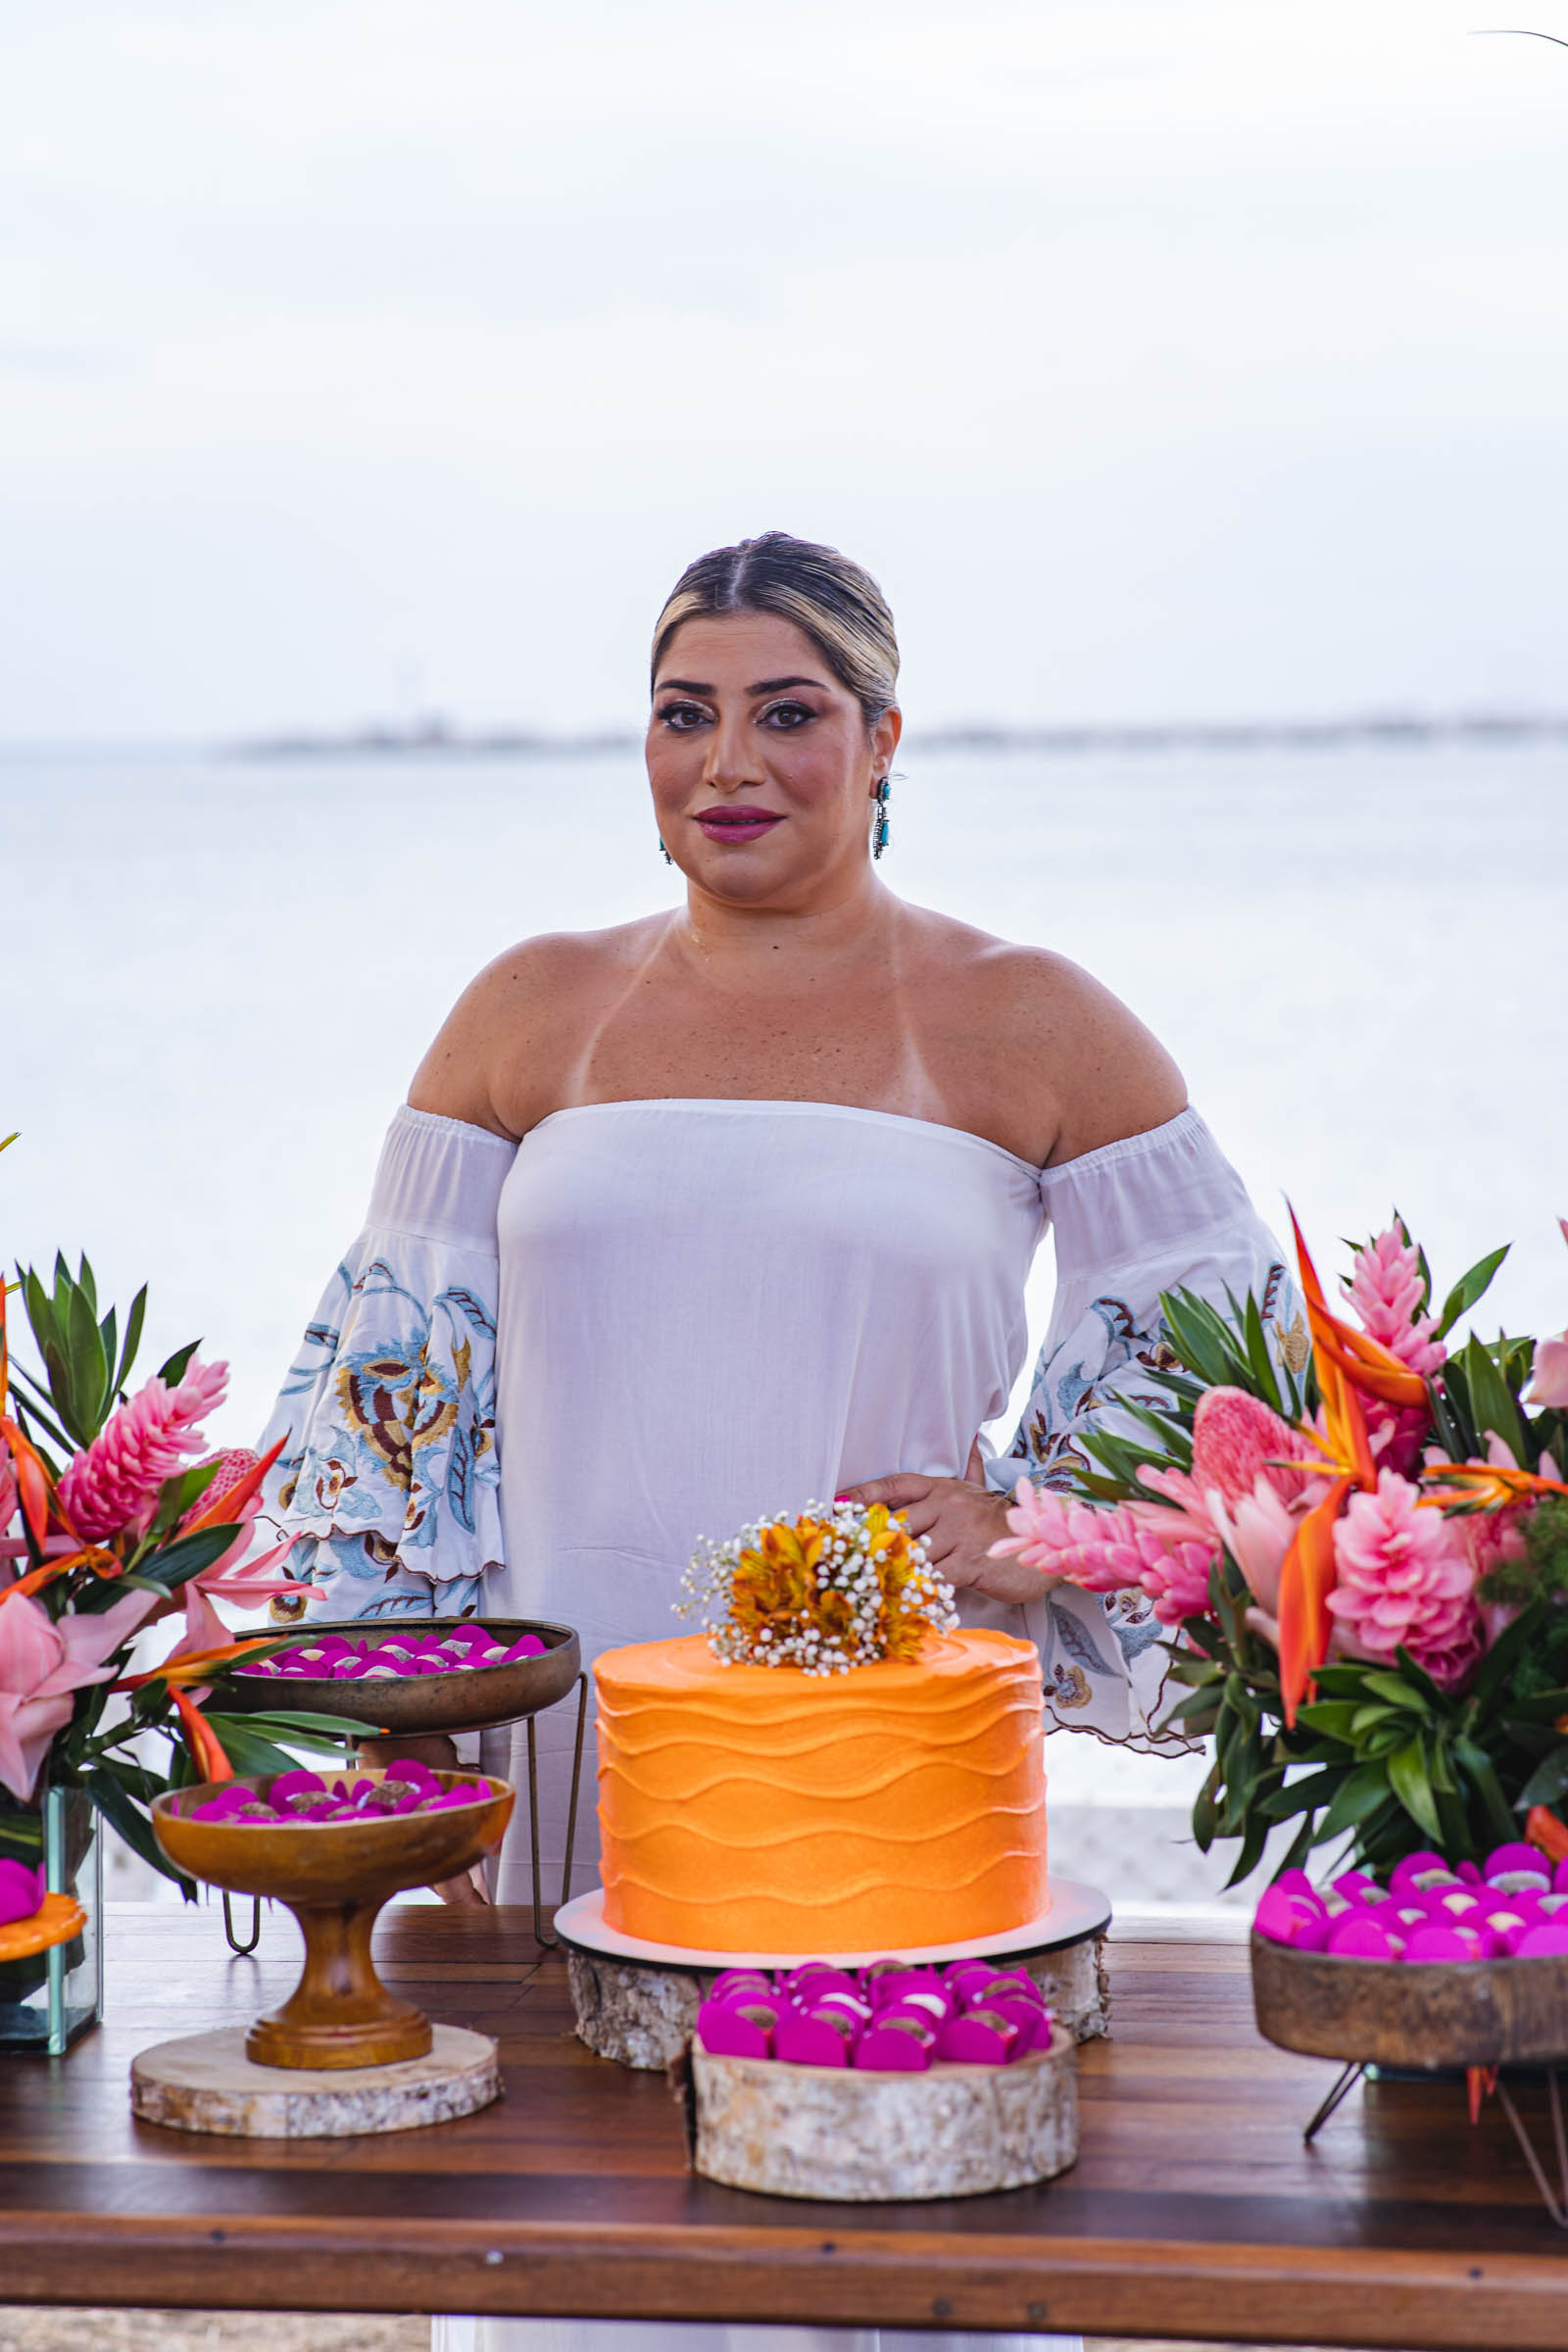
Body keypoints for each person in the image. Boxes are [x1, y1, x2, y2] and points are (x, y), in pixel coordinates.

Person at [259, 531, 1289, 2352]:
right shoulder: (530, 1008)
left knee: (898, 2248)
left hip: (881, 1759)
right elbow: (387, 1419)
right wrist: (396, 1764)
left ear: (884, 740)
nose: (728, 762)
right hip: (570, 1749)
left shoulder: (1032, 1016)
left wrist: (1033, 1520)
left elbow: (1234, 1371)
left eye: (788, 713)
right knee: (577, 2265)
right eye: (685, 714)